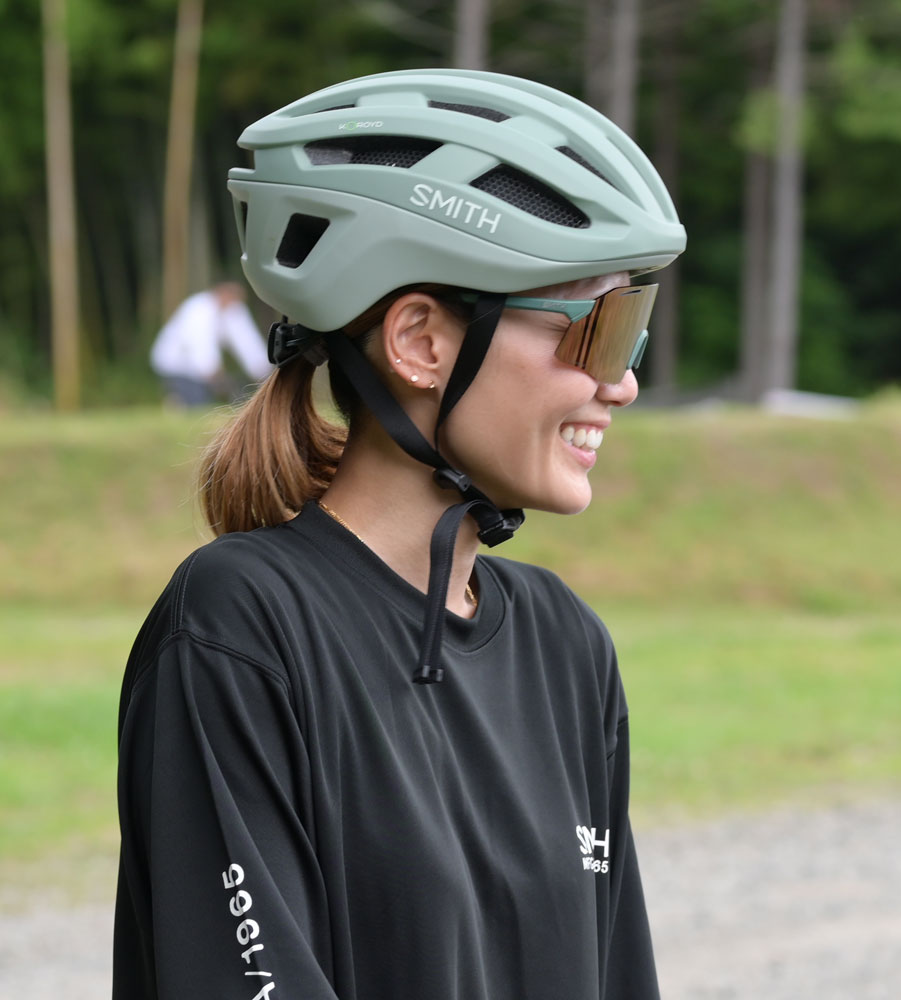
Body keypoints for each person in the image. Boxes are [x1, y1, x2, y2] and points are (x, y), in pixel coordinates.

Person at [114, 67, 686, 1000]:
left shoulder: (566, 645)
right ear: (420, 341)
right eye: (596, 328)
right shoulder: (243, 625)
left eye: (635, 329)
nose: (619, 383)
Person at [150, 281, 272, 406]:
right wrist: (214, 372)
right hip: (176, 365)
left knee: (212, 398)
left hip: (197, 369)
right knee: (197, 402)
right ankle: (175, 399)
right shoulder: (199, 309)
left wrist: (263, 372)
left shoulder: (233, 310)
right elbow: (200, 343)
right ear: (221, 293)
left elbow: (246, 340)